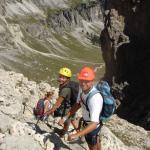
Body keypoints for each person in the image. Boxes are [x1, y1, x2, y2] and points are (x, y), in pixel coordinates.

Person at [62, 66, 103, 150]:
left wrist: (77, 135)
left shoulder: (95, 99)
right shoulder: (82, 88)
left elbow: (94, 124)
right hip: (89, 122)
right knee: (96, 140)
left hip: (92, 125)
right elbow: (78, 104)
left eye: (86, 81)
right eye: (81, 80)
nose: (83, 83)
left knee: (92, 144)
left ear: (92, 81)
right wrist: (66, 117)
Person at [45, 67, 78, 137]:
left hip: (68, 108)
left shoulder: (65, 89)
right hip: (73, 105)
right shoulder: (67, 84)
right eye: (60, 77)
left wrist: (49, 112)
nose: (61, 79)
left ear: (68, 79)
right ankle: (81, 133)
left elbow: (57, 104)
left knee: (67, 121)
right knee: (72, 120)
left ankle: (63, 133)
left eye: (63, 78)